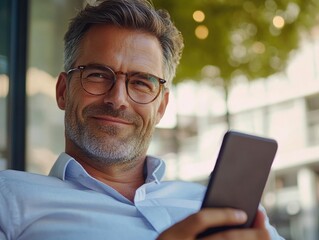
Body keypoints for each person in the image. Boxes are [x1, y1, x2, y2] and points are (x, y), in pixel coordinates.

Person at [0, 0, 284, 239]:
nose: (118, 99)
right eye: (98, 75)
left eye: (140, 83)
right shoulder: (9, 197)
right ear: (63, 91)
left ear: (161, 107)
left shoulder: (215, 208)